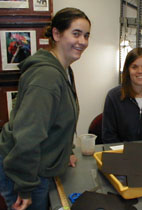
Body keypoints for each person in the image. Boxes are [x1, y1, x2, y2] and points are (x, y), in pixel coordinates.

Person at [0, 7, 91, 210]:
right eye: (76, 34)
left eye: (86, 35)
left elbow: (57, 121)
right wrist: (24, 188)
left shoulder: (64, 71)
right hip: (25, 172)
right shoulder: (47, 77)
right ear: (57, 34)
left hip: (37, 167)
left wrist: (65, 151)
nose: (83, 42)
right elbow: (28, 136)